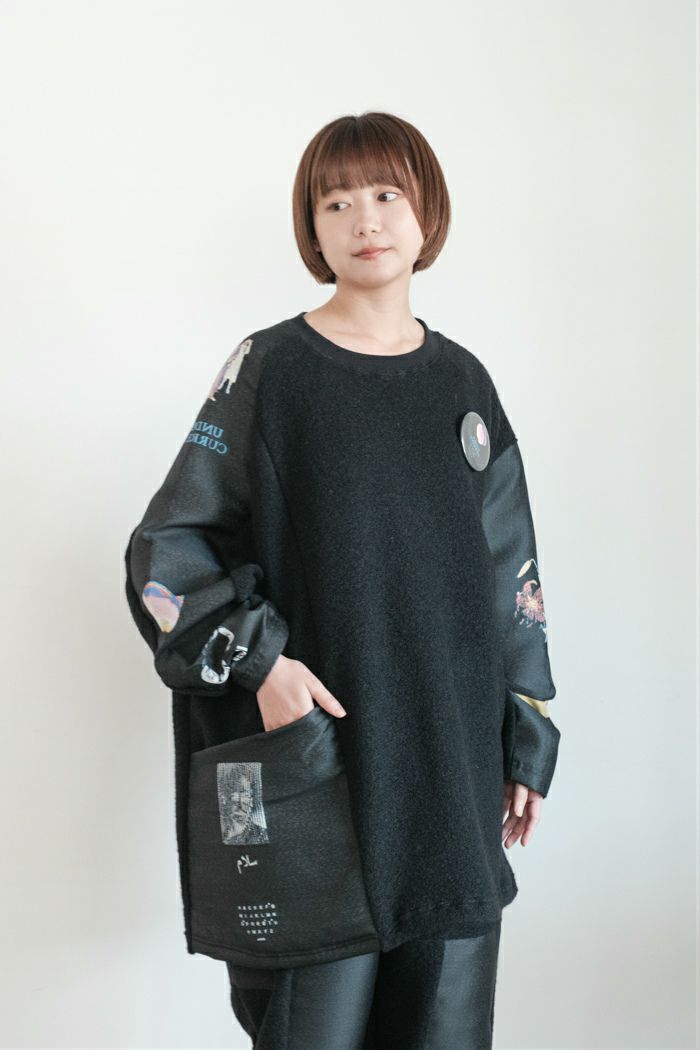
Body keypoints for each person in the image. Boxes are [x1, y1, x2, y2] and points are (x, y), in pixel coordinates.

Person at [124, 111, 560, 1049]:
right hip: (314, 778)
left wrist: (526, 725)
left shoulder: (465, 385)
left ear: (426, 212)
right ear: (312, 230)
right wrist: (262, 666)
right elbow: (165, 551)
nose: (366, 218)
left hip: (447, 777)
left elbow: (510, 569)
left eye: (387, 193)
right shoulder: (270, 371)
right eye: (337, 201)